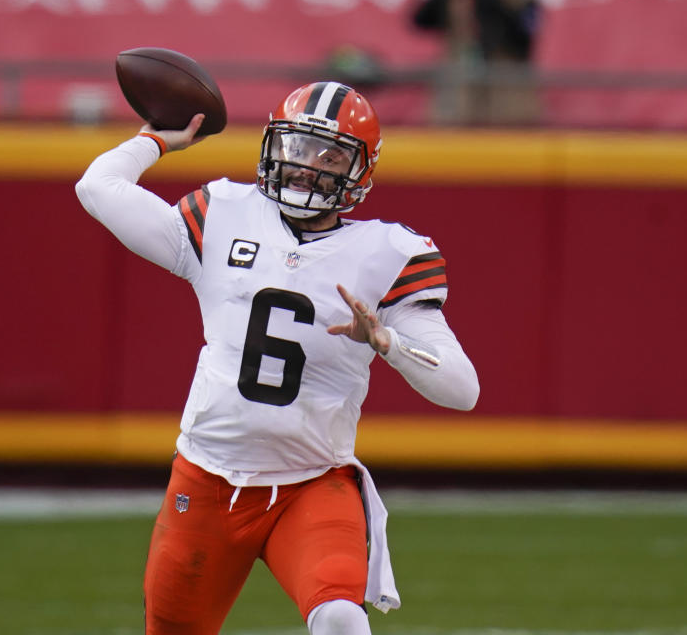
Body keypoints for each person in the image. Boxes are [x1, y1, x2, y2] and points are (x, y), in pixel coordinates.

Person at [75, 81, 480, 635]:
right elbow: (97, 186)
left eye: (330, 154)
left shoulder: (388, 254)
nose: (306, 166)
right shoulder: (224, 212)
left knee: (340, 619)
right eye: (296, 146)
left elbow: (463, 389)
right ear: (272, 145)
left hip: (312, 483)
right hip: (208, 479)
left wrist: (389, 342)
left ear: (359, 171)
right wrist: (155, 140)